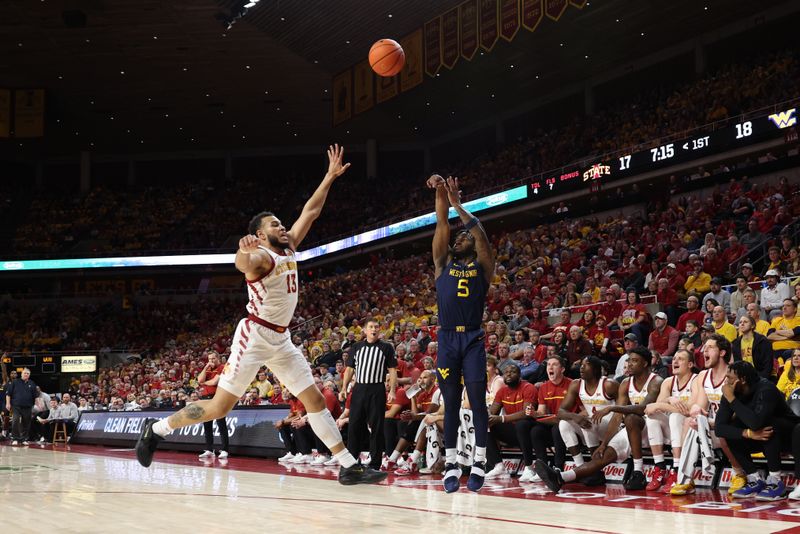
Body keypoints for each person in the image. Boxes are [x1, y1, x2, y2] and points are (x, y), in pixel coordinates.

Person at [135, 145, 385, 486]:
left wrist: (328, 177)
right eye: (275, 225)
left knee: (312, 398)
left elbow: (310, 212)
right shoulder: (261, 257)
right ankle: (157, 429)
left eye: (282, 223)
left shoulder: (290, 246)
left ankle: (347, 465)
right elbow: (243, 266)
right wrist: (242, 251)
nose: (283, 227)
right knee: (219, 408)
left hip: (281, 338)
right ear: (262, 233)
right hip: (254, 336)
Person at [428, 173, 495, 493]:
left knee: (478, 403)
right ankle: (452, 462)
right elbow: (442, 223)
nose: (459, 239)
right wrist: (441, 190)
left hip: (472, 338)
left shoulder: (484, 267)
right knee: (451, 402)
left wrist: (459, 205)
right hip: (446, 339)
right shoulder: (442, 263)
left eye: (462, 237)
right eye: (458, 239)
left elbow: (480, 235)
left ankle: (479, 461)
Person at [536, 347, 661, 492]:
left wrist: (611, 408)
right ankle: (562, 477)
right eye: (628, 360)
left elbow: (641, 409)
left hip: (655, 427)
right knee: (602, 452)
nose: (629, 364)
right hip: (628, 428)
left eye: (634, 361)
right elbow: (618, 416)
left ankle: (639, 471)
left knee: (629, 418)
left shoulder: (655, 381)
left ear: (645, 363)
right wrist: (604, 444)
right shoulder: (626, 383)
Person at [670, 334, 746, 496]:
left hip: (735, 426)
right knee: (690, 421)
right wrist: (697, 411)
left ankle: (739, 473)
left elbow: (738, 413)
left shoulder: (733, 374)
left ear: (722, 352)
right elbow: (699, 405)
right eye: (704, 347)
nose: (704, 350)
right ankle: (686, 478)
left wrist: (714, 423)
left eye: (710, 347)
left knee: (723, 428)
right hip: (713, 425)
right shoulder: (703, 376)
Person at [715, 361, 800, 500]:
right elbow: (719, 428)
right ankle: (754, 479)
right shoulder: (730, 391)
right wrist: (747, 433)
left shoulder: (766, 389)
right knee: (731, 431)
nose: (726, 381)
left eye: (729, 377)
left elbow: (756, 422)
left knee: (768, 425)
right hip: (760, 436)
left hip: (789, 436)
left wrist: (732, 399)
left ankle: (776, 480)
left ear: (741, 380)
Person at [339, 319, 397, 472]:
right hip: (359, 389)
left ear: (380, 330)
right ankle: (351, 462)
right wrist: (344, 388)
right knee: (354, 426)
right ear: (364, 330)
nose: (374, 329)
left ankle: (375, 463)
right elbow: (350, 369)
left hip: (377, 389)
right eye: (371, 327)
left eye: (376, 326)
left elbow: (392, 370)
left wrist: (392, 390)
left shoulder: (386, 347)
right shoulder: (356, 347)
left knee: (377, 427)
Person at [556, 356, 619, 484]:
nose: (582, 367)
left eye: (587, 364)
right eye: (581, 364)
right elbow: (560, 412)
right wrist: (575, 416)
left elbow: (622, 410)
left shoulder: (609, 384)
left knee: (589, 422)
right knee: (564, 424)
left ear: (596, 369)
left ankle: (594, 469)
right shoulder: (576, 384)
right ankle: (580, 467)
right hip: (592, 428)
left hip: (612, 430)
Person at [643, 349, 697, 492]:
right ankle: (660, 467)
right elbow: (655, 408)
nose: (675, 361)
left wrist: (662, 404)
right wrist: (669, 399)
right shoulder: (668, 381)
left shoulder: (696, 380)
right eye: (674, 359)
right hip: (673, 431)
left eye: (680, 359)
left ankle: (677, 468)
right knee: (652, 417)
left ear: (690, 364)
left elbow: (689, 410)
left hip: (690, 430)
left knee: (675, 416)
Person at [523, 356, 572, 481]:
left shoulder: (572, 384)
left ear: (562, 369)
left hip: (569, 425)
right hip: (552, 422)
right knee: (536, 431)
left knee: (558, 428)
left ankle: (558, 468)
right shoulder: (544, 387)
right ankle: (543, 469)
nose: (550, 367)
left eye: (554, 364)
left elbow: (582, 410)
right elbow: (541, 412)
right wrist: (533, 413)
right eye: (548, 364)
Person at [484, 365, 537, 479]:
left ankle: (529, 467)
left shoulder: (528, 387)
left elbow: (527, 413)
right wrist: (485, 416)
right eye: (506, 372)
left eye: (512, 372)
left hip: (530, 431)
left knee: (521, 424)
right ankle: (498, 466)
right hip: (512, 432)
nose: (508, 374)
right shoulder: (502, 391)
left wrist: (502, 418)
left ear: (519, 375)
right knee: (485, 425)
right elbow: (493, 412)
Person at [197, 351, 230, 460]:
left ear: (218, 358)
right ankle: (209, 450)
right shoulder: (208, 368)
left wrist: (204, 383)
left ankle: (225, 450)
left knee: (221, 424)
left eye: (213, 359)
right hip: (206, 399)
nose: (211, 361)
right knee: (207, 425)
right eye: (209, 359)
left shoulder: (222, 367)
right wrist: (206, 367)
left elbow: (214, 382)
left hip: (217, 397)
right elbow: (199, 380)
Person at [5, 368, 40, 446]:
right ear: (21, 374)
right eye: (25, 373)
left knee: (26, 422)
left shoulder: (32, 383)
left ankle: (23, 439)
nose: (26, 374)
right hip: (16, 405)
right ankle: (15, 438)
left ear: (29, 375)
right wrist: (8, 404)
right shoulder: (15, 382)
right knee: (15, 420)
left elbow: (36, 395)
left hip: (28, 406)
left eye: (28, 373)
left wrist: (38, 404)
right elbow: (8, 394)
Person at [732, 315, 773, 379]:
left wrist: (762, 379)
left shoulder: (762, 341)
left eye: (745, 322)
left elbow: (768, 364)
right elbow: (737, 364)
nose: (742, 324)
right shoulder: (736, 343)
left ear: (752, 326)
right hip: (743, 378)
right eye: (740, 322)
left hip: (761, 376)